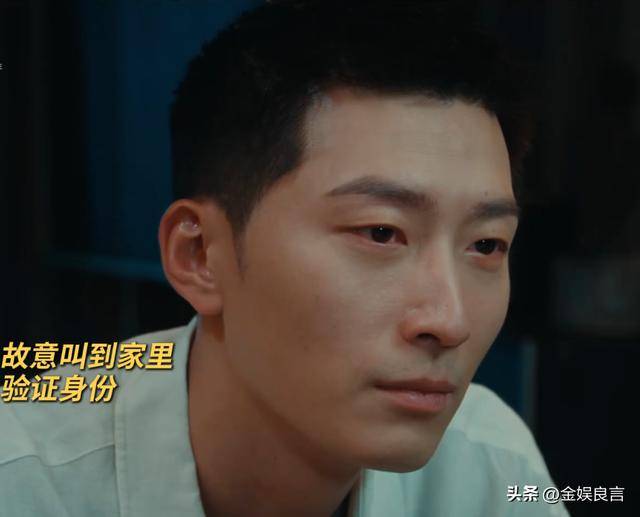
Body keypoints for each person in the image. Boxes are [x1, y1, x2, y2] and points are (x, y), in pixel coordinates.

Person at [0, 1, 570, 516]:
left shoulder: (491, 464)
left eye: (486, 245)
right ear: (199, 255)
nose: (450, 321)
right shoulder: (25, 480)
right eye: (380, 232)